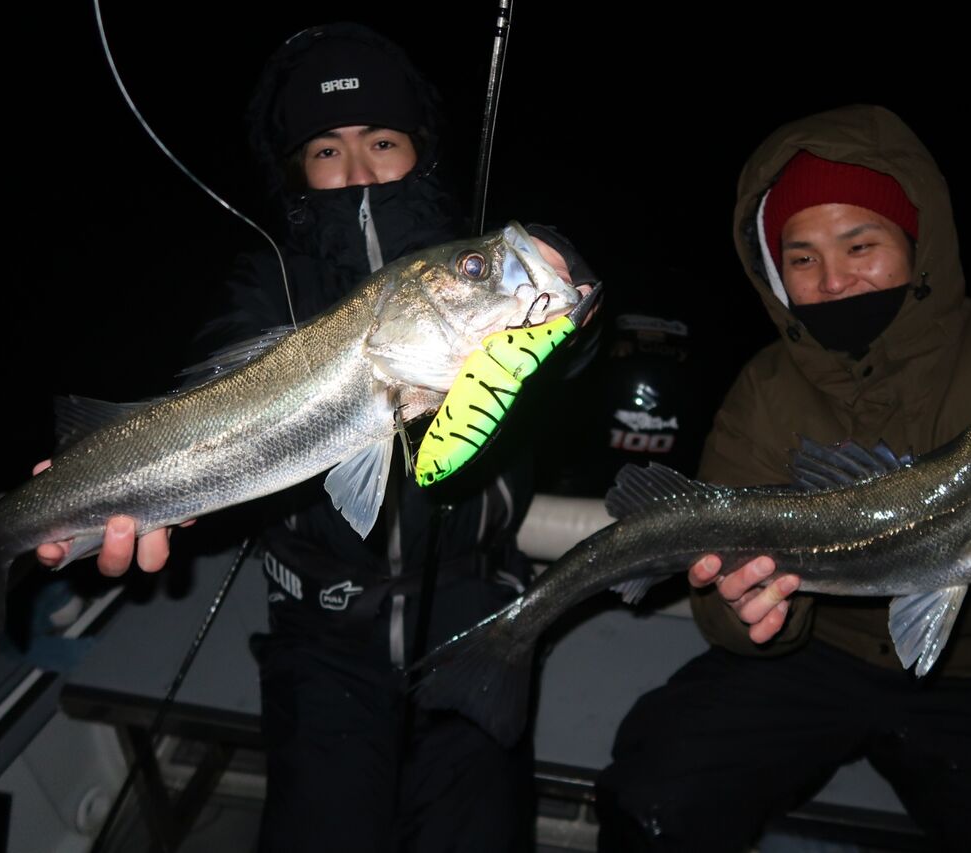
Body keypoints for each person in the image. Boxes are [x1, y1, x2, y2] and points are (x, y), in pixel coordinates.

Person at [595, 104, 971, 852]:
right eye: (802, 259)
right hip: (814, 656)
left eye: (860, 244)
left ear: (916, 243)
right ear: (774, 272)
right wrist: (751, 611)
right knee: (656, 792)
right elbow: (723, 609)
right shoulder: (765, 387)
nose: (834, 280)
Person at [36, 23, 595, 852]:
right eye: (328, 150)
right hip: (320, 635)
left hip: (478, 615)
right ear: (296, 168)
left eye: (382, 140)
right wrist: (135, 475)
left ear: (422, 150)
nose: (359, 167)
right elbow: (216, 371)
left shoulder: (460, 270)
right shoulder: (267, 278)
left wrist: (566, 288)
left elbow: (566, 343)